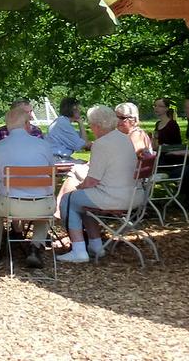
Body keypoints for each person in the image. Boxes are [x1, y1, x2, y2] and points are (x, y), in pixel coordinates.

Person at [56, 105, 139, 263]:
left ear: (97, 125)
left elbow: (92, 180)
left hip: (114, 197)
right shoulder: (124, 138)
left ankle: (78, 250)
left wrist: (78, 187)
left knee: (68, 199)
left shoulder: (101, 144)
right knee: (82, 201)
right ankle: (95, 245)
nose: (90, 128)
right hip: (133, 193)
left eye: (90, 125)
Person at [0, 101, 55, 268]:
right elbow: (52, 175)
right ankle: (36, 247)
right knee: (45, 201)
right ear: (27, 124)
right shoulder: (44, 145)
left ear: (8, 126)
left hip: (10, 206)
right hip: (42, 207)